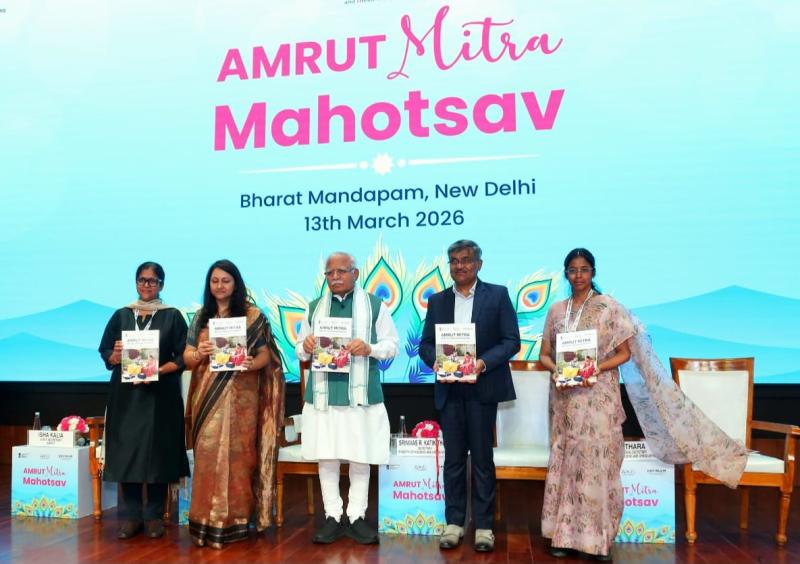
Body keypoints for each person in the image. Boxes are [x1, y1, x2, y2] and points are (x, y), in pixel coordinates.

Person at [538, 248, 746, 561]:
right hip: (566, 400)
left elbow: (625, 353)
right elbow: (544, 354)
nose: (578, 275)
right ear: (565, 273)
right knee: (568, 464)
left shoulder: (610, 307)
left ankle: (599, 540)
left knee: (600, 467)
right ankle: (564, 536)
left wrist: (595, 368)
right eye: (572, 270)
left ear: (593, 272)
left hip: (599, 398)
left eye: (584, 269)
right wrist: (558, 370)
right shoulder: (556, 311)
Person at [420, 240, 520, 553]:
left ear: (478, 264)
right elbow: (425, 345)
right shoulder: (437, 300)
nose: (459, 266)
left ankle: (484, 526)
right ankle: (454, 523)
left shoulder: (498, 295)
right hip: (449, 390)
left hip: (482, 389)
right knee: (452, 461)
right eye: (454, 261)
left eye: (465, 260)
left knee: (481, 460)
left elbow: (511, 341)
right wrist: (435, 360)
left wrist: (482, 362)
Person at [295, 252, 399, 545]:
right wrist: (306, 345)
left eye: (341, 271)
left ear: (355, 273)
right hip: (324, 394)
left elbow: (392, 345)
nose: (335, 277)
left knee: (360, 456)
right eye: (330, 273)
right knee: (326, 456)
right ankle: (332, 516)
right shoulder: (314, 307)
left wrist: (370, 348)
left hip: (361, 394)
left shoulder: (374, 305)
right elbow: (300, 350)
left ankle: (356, 517)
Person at [183, 259, 285, 548]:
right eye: (214, 281)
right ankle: (203, 523)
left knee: (240, 459)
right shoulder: (201, 317)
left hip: (243, 400)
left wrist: (252, 363)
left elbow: (266, 357)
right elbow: (188, 358)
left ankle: (236, 522)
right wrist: (200, 353)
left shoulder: (253, 316)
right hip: (207, 400)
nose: (220, 286)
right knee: (207, 458)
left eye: (225, 281)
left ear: (236, 284)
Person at [98, 261, 189, 540]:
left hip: (161, 397)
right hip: (127, 398)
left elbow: (183, 357)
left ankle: (154, 516)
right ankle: (133, 516)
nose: (146, 285)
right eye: (142, 280)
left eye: (152, 280)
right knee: (128, 454)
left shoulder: (173, 316)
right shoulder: (121, 315)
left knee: (158, 456)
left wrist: (158, 371)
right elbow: (106, 352)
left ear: (162, 284)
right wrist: (114, 355)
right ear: (136, 282)